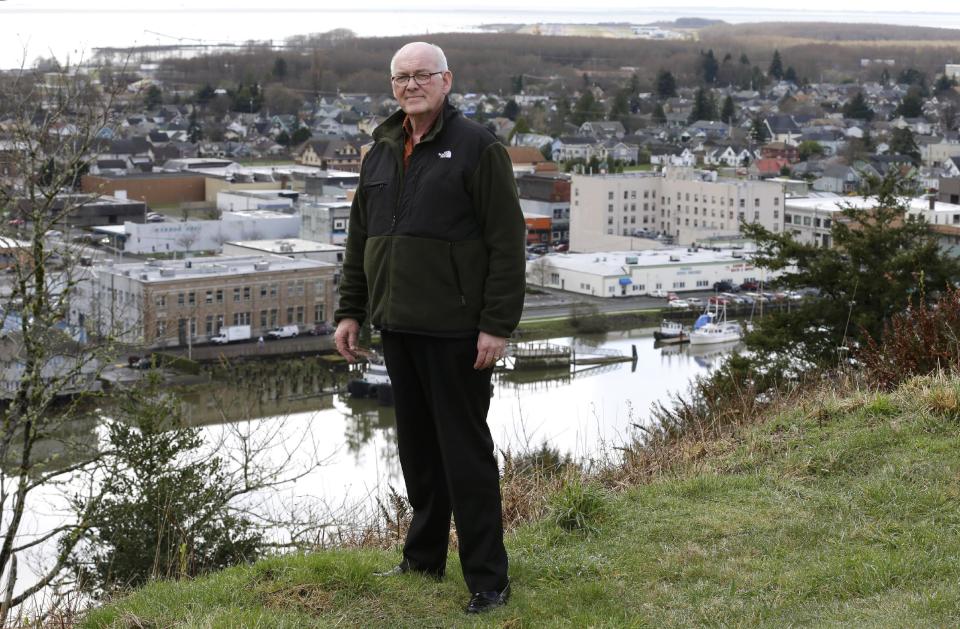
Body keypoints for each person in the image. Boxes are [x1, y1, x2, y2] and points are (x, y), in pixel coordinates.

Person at [333, 41, 525, 614]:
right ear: (392, 86)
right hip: (398, 325)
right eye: (401, 77)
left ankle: (489, 580)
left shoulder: (478, 149)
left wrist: (496, 324)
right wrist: (351, 310)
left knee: (465, 456)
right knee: (417, 452)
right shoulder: (381, 151)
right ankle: (423, 559)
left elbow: (506, 244)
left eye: (422, 75)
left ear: (446, 81)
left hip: (457, 331)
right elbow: (360, 242)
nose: (410, 85)